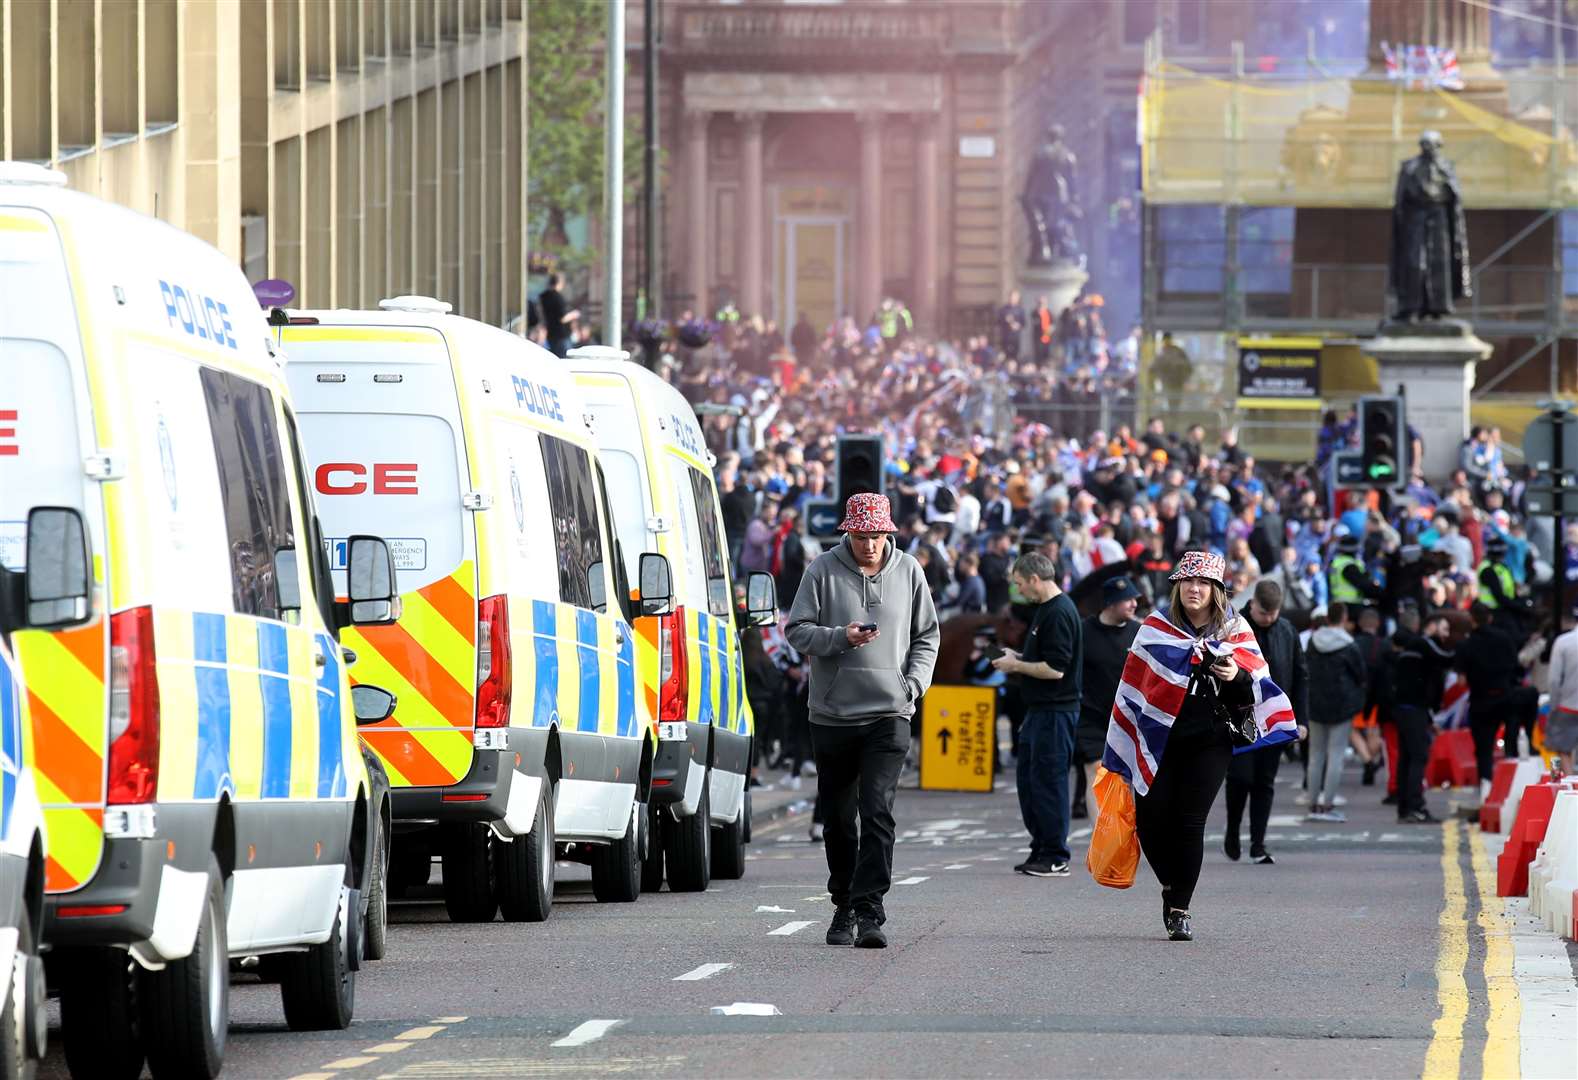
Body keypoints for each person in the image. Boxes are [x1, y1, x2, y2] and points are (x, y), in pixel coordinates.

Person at [1103, 550, 1296, 942]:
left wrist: (1234, 674)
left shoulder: (1234, 629)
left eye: (1204, 583)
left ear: (1217, 590)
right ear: (1178, 587)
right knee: (1150, 822)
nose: (1195, 589)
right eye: (1188, 582)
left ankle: (1180, 908)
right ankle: (1172, 887)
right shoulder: (1155, 627)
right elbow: (1135, 686)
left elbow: (1256, 684)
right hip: (1159, 737)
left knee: (1190, 823)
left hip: (1210, 739)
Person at [785, 493, 939, 950]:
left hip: (889, 712)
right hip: (832, 716)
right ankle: (843, 905)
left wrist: (913, 685)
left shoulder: (910, 570)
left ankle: (870, 908)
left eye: (876, 536)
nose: (869, 545)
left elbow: (927, 634)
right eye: (860, 536)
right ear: (847, 533)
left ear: (888, 533)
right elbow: (796, 630)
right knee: (838, 818)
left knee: (877, 811)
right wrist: (839, 637)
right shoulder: (821, 570)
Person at [991, 551, 1082, 877]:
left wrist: (1016, 664)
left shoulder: (1057, 613)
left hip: (1055, 712)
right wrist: (1018, 656)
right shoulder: (1047, 610)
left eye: (1019, 584)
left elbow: (1056, 669)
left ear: (1034, 578)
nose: (1018, 591)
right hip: (1041, 711)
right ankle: (1042, 847)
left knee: (1048, 782)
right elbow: (1045, 659)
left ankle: (1055, 854)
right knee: (1032, 782)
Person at [1224, 580, 1307, 863]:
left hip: (1274, 718)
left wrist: (1301, 719)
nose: (1269, 618)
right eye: (1263, 613)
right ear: (1253, 603)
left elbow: (1300, 676)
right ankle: (1233, 830)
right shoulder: (1236, 627)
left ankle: (1258, 844)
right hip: (1242, 715)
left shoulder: (1286, 630)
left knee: (1265, 782)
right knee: (1240, 778)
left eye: (1274, 613)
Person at [1074, 576, 1141, 819]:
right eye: (1128, 600)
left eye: (1135, 599)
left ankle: (1123, 832)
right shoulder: (1083, 631)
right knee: (1094, 770)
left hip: (1127, 717)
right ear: (1110, 603)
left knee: (1126, 777)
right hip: (1091, 715)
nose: (1134, 604)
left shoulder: (1139, 632)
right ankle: (1099, 834)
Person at [1303, 601, 1368, 823]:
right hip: (1341, 705)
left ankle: (1312, 803)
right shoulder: (1349, 644)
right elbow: (1360, 675)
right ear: (1344, 617)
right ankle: (1328, 804)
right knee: (1336, 755)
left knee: (1316, 755)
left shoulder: (1313, 641)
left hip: (1315, 703)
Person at [1390, 607, 1455, 822]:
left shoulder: (1411, 648)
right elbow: (1446, 658)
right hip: (1412, 709)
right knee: (1418, 756)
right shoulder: (1424, 643)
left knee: (1407, 757)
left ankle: (1405, 807)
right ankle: (1415, 806)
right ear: (1431, 626)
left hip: (1404, 708)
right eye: (1444, 629)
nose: (1446, 635)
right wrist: (1463, 649)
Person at [1455, 602, 1522, 794]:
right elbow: (1515, 666)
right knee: (1511, 745)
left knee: (1484, 750)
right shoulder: (1505, 639)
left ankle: (1487, 789)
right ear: (1490, 618)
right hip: (1506, 696)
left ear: (1471, 619)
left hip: (1481, 700)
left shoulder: (1466, 645)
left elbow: (1461, 681)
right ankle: (1513, 786)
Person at [1546, 607, 1578, 775]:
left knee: (1563, 750)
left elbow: (1553, 679)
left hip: (1568, 706)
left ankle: (1573, 790)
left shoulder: (1564, 642)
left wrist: (1554, 704)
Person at [538, 273, 579, 358]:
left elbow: (541, 313)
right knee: (564, 358)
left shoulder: (544, 297)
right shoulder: (558, 297)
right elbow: (562, 318)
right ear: (560, 283)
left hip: (551, 333)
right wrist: (574, 315)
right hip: (561, 334)